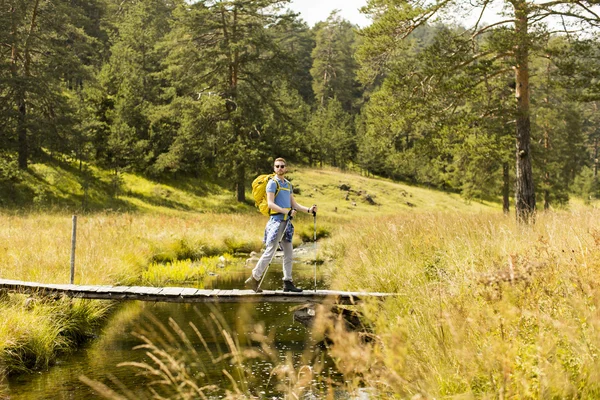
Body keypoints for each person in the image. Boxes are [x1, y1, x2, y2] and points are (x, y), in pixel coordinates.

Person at [245, 158, 317, 293]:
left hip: (287, 223)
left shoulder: (288, 185)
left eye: (282, 166)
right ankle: (254, 278)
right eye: (277, 166)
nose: (280, 168)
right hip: (276, 222)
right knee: (270, 251)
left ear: (286, 168)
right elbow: (271, 204)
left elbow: (294, 204)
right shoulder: (272, 183)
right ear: (274, 168)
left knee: (289, 253)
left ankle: (288, 282)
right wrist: (286, 211)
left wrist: (309, 210)